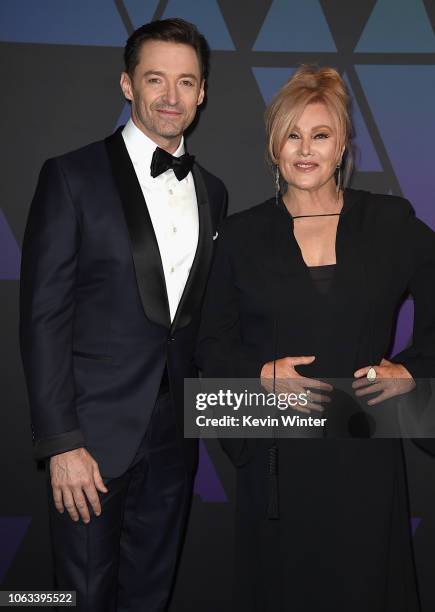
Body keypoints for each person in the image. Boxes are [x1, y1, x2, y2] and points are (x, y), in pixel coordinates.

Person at [196, 65, 435, 611]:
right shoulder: (239, 236)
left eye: (320, 135)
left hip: (364, 459)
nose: (306, 150)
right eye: (292, 135)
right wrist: (258, 376)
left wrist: (414, 370)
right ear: (274, 145)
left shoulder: (388, 222)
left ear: (343, 144)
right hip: (276, 456)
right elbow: (210, 343)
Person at [19, 18, 227, 612]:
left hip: (172, 441)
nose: (171, 96)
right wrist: (61, 443)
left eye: (186, 82)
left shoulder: (213, 189)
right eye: (155, 79)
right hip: (90, 442)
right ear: (127, 84)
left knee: (150, 596)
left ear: (203, 92)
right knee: (77, 597)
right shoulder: (71, 176)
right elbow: (43, 318)